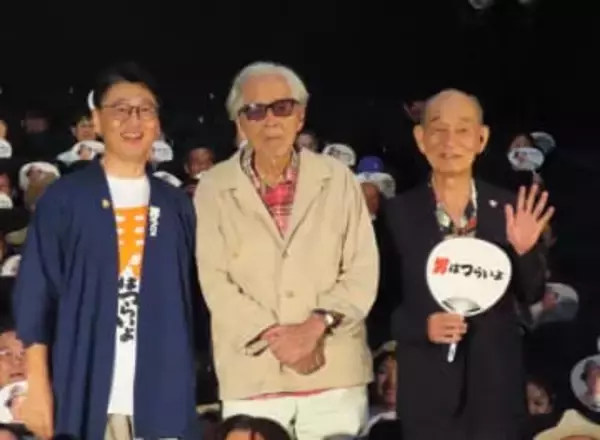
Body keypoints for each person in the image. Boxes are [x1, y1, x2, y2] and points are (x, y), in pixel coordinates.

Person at [13, 62, 198, 440]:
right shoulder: (65, 199)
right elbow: (36, 295)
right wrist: (38, 387)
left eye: (144, 110)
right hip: (85, 389)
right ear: (97, 120)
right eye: (120, 109)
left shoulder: (176, 203)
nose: (134, 120)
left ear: (157, 123)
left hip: (162, 394)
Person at [194, 61, 378, 440]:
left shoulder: (338, 178)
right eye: (255, 111)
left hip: (332, 369)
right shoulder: (213, 186)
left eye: (282, 107)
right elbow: (214, 280)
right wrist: (277, 338)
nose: (270, 120)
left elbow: (362, 269)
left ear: (300, 115)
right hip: (252, 373)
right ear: (239, 122)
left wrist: (314, 327)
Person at [386, 89, 553, 440]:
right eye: (438, 129)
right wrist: (421, 326)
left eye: (463, 130)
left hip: (496, 395)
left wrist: (524, 251)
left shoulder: (510, 208)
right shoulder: (396, 214)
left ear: (482, 139)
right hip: (427, 397)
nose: (450, 142)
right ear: (420, 138)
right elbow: (379, 305)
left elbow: (532, 293)